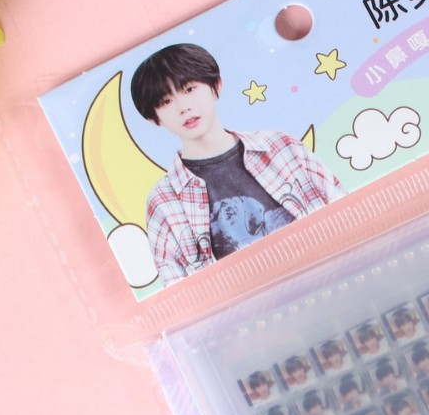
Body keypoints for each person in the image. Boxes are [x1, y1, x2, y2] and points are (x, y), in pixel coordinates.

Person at [130, 43, 344, 285]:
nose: (183, 107)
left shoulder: (281, 148)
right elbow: (178, 291)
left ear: (216, 86)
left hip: (335, 279)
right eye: (166, 101)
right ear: (153, 118)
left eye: (189, 89)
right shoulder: (164, 201)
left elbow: (345, 211)